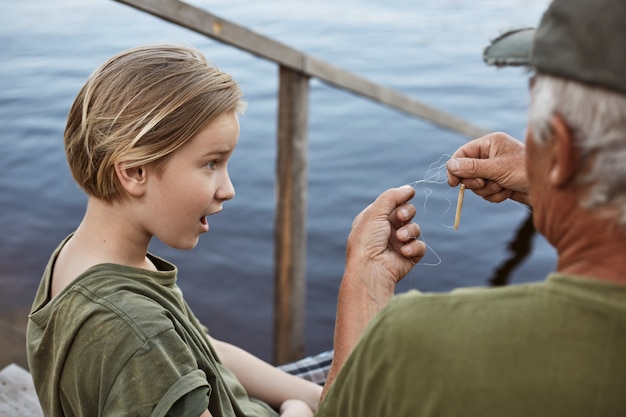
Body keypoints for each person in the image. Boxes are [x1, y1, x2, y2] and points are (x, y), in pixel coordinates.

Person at [25, 44, 425, 417]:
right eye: (211, 163)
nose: (229, 189)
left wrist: (313, 398)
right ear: (134, 171)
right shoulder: (136, 333)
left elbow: (205, 351)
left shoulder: (82, 260)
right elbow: (156, 348)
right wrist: (298, 411)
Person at [316, 0, 626, 415]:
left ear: (563, 150)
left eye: (535, 130)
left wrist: (365, 283)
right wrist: (557, 181)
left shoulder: (413, 341)